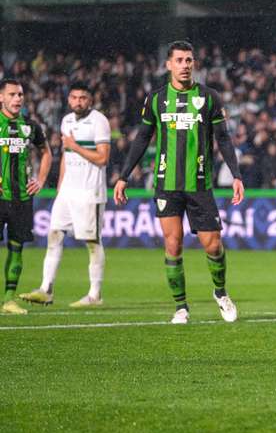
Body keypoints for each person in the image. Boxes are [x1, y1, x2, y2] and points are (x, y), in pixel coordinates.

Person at [113, 41, 244, 324]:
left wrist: (236, 174)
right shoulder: (157, 99)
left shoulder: (209, 98)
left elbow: (222, 138)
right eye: (179, 60)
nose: (185, 65)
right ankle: (181, 307)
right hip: (166, 183)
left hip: (199, 184)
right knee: (173, 245)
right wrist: (124, 176)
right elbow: (141, 138)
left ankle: (220, 293)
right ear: (168, 65)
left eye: (189, 60)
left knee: (213, 245)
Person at [20, 83, 110, 307]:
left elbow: (102, 158)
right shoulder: (66, 120)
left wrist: (75, 145)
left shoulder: (99, 121)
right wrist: (61, 186)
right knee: (54, 236)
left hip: (90, 192)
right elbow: (66, 157)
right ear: (69, 99)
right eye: (74, 97)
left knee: (92, 242)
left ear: (90, 100)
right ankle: (46, 289)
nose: (78, 102)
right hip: (68, 191)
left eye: (83, 98)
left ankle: (95, 294)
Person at [0, 79, 52, 314]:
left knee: (16, 248)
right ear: (1, 97)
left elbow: (46, 152)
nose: (17, 98)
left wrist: (40, 180)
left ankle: (9, 300)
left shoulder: (30, 126)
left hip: (22, 198)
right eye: (12, 94)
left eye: (20, 94)